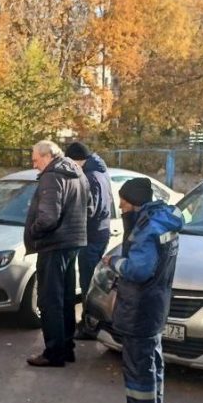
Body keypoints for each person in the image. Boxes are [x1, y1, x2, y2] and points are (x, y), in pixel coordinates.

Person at [102, 178, 183, 403]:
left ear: (136, 202)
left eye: (125, 200)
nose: (121, 205)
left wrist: (114, 262)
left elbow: (138, 270)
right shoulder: (161, 221)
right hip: (154, 303)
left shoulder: (146, 230)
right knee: (151, 361)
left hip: (140, 306)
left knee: (139, 364)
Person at [23, 140, 90, 367]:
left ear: (48, 156)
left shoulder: (52, 177)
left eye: (35, 160)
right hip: (73, 242)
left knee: (50, 300)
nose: (34, 166)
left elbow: (48, 218)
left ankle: (54, 352)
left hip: (54, 245)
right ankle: (66, 347)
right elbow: (88, 208)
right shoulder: (77, 173)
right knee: (66, 299)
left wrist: (33, 231)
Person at [64, 142, 112, 340]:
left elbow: (89, 210)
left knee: (88, 284)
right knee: (92, 282)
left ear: (76, 160)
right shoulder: (99, 173)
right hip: (98, 234)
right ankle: (90, 322)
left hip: (90, 237)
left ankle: (89, 326)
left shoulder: (90, 177)